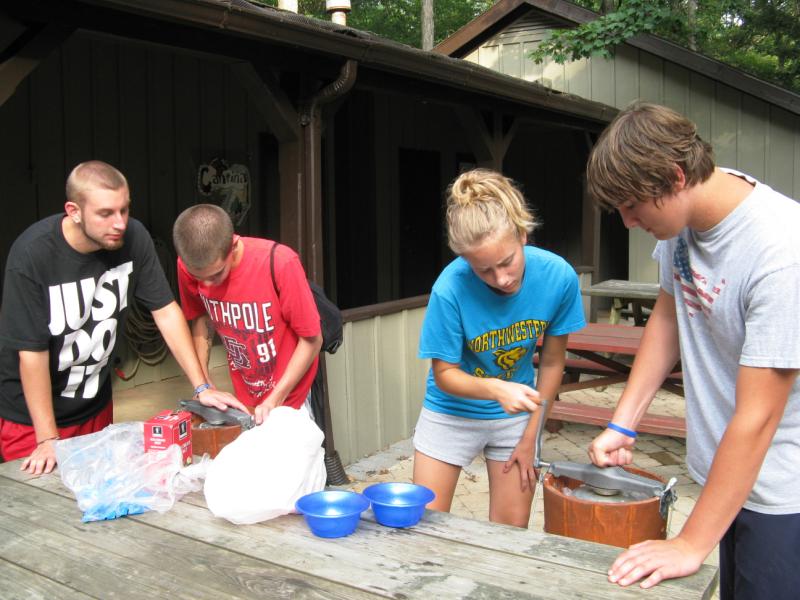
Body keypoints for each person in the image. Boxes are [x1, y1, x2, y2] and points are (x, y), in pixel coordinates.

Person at [585, 102, 800, 597]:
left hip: (782, 490)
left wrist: (690, 542)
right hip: (728, 478)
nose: (627, 221)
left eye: (632, 206)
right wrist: (623, 423)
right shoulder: (684, 222)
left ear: (676, 177)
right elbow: (669, 316)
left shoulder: (781, 254)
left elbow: (759, 417)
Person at [0, 161, 246, 475]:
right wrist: (47, 438)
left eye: (124, 210)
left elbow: (165, 311)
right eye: (105, 213)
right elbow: (31, 353)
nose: (119, 223)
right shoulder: (32, 255)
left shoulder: (134, 237)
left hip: (95, 407)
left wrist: (202, 387)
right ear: (74, 211)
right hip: (32, 420)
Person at [412, 168, 586, 527]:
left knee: (510, 532)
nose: (502, 279)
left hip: (515, 416)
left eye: (507, 262)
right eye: (484, 270)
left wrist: (531, 434)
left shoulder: (558, 278)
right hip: (450, 413)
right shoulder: (449, 289)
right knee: (424, 526)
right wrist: (495, 389)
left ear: (523, 235)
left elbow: (552, 362)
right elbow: (444, 375)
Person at [172, 204, 322, 426]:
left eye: (216, 275)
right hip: (245, 394)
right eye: (199, 278)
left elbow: (312, 340)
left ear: (232, 246)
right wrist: (204, 385)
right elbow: (202, 318)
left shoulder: (280, 262)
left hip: (292, 397)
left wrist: (275, 400)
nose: (207, 285)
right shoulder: (188, 266)